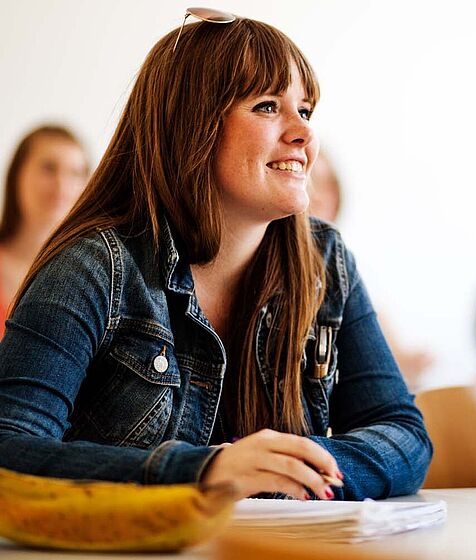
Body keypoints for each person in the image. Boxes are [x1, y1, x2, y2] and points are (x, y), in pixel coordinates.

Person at [0, 11, 431, 502]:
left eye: (305, 111)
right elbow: (9, 451)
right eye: (268, 106)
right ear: (192, 124)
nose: (304, 135)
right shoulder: (93, 268)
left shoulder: (325, 259)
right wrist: (206, 472)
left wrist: (287, 473)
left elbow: (404, 434)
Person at [308, 149, 434, 388]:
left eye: (326, 186)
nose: (317, 197)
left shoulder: (347, 270)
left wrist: (408, 362)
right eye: (308, 183)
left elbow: (386, 354)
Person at [0, 125, 88, 338]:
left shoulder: (90, 274)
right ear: (17, 174)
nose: (62, 184)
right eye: (49, 168)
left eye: (76, 173)